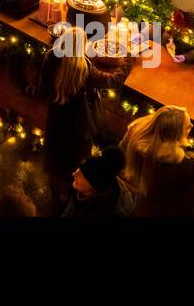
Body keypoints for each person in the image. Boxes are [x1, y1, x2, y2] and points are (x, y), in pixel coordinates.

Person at [40, 26, 133, 207]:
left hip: (55, 122)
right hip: (78, 129)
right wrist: (130, 58)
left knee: (55, 160)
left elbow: (43, 88)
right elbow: (114, 81)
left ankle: (55, 196)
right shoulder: (85, 70)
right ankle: (71, 199)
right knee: (74, 164)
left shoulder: (51, 60)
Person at [119, 104, 194, 216]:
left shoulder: (137, 137)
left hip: (145, 208)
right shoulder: (187, 161)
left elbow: (120, 154)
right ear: (175, 134)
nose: (192, 125)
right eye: (187, 126)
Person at [62, 147, 134, 217]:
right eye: (77, 170)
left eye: (80, 175)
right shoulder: (81, 189)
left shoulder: (104, 212)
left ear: (93, 188)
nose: (73, 174)